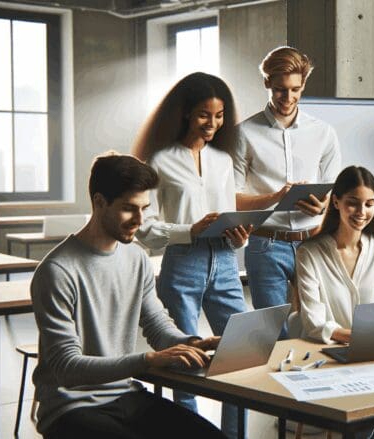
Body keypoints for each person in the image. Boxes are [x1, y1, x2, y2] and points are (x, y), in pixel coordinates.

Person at [30, 153, 225, 439]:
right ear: (99, 202)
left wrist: (192, 343)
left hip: (125, 395)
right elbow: (67, 368)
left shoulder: (137, 258)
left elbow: (157, 325)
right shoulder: (57, 270)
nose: (139, 220)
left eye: (144, 208)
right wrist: (149, 359)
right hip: (69, 407)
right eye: (128, 209)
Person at [132, 72, 248, 436]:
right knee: (185, 363)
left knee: (242, 357)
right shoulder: (160, 160)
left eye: (219, 115)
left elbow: (229, 213)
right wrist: (189, 230)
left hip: (225, 262)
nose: (212, 123)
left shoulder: (223, 160)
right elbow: (145, 226)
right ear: (185, 113)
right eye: (204, 115)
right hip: (183, 264)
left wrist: (240, 238)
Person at [295, 166, 374, 439]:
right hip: (330, 360)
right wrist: (361, 338)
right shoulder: (310, 253)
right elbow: (314, 323)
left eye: (370, 204)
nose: (362, 212)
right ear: (335, 202)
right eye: (353, 203)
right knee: (368, 409)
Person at [233, 46, 341, 328]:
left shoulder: (324, 133)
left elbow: (335, 193)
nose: (288, 97)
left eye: (295, 89)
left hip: (314, 241)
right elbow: (232, 198)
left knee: (321, 327)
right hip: (265, 245)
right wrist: (277, 197)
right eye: (280, 90)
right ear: (267, 82)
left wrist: (323, 205)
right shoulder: (243, 134)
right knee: (273, 331)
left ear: (303, 84)